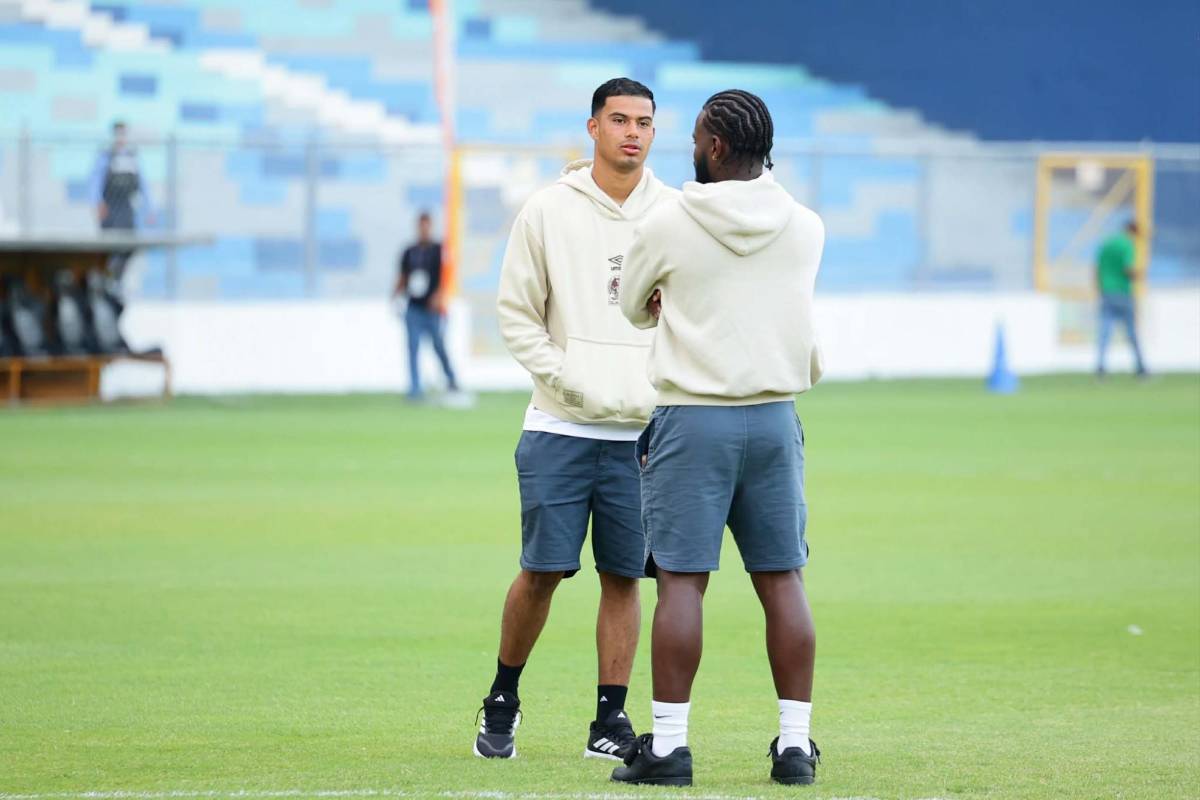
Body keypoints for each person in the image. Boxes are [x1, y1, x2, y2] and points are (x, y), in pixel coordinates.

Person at [611, 90, 825, 787]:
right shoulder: (805, 226)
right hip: (772, 416)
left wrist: (670, 305)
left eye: (697, 136)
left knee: (681, 583)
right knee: (782, 579)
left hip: (692, 418)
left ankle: (669, 750)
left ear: (713, 147)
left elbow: (634, 306)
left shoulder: (668, 221)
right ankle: (795, 747)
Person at [474, 78, 678, 762]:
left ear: (655, 131)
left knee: (625, 578)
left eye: (644, 122)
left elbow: (685, 317)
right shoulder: (546, 210)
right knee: (542, 571)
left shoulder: (676, 214)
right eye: (619, 119)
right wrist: (570, 380)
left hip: (642, 436)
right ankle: (502, 697)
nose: (632, 132)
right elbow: (516, 314)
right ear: (592, 127)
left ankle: (608, 723)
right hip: (558, 427)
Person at [393, 211, 460, 401]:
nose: (424, 229)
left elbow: (446, 276)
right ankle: (415, 389)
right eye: (421, 225)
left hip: (432, 310)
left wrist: (439, 296)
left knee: (439, 346)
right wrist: (395, 295)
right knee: (412, 348)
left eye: (427, 225)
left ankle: (451, 379)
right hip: (413, 308)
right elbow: (403, 276)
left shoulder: (438, 250)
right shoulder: (409, 252)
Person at [90, 120, 152, 284]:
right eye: (118, 134)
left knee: (129, 247)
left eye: (123, 133)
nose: (121, 137)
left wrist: (148, 209)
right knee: (109, 248)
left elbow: (143, 185)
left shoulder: (133, 157)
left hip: (127, 211)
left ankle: (116, 279)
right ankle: (107, 280)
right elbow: (95, 181)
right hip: (110, 210)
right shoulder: (106, 156)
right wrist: (98, 203)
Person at [1096, 221, 1148, 377]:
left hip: (1106, 292)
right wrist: (1140, 275)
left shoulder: (1107, 244)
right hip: (1122, 292)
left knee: (1105, 332)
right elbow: (1128, 270)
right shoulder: (1127, 245)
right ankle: (1140, 368)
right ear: (1132, 231)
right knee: (1131, 332)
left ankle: (1100, 367)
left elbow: (1097, 268)